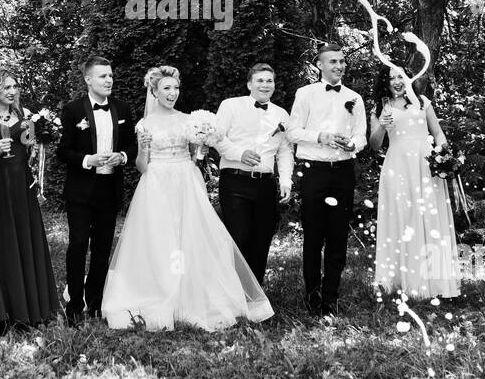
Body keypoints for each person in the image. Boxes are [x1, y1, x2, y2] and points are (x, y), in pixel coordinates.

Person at [102, 66, 273, 330]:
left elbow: (195, 157)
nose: (173, 93)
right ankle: (161, 287)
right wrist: (145, 147)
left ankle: (192, 291)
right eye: (166, 89)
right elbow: (141, 166)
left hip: (186, 180)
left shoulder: (188, 120)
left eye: (176, 88)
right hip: (156, 182)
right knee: (160, 237)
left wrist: (201, 145)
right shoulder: (144, 124)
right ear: (154, 92)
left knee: (189, 235)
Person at [0, 69, 60, 333]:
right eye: (6, 87)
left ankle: (33, 306)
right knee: (2, 243)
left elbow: (30, 153)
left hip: (23, 187)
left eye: (14, 86)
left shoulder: (24, 117)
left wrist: (44, 138)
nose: (11, 91)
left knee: (26, 239)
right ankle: (4, 309)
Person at [56, 56, 138, 326]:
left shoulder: (123, 109)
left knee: (103, 248)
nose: (109, 80)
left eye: (111, 75)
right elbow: (63, 151)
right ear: (88, 79)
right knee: (78, 244)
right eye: (103, 76)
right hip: (81, 190)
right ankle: (75, 306)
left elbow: (132, 147)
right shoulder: (72, 110)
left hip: (109, 189)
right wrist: (86, 160)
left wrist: (123, 157)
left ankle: (95, 303)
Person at [287, 44, 366, 317]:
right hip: (314, 171)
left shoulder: (355, 98)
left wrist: (352, 144)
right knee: (313, 235)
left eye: (342, 61)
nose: (339, 66)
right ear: (320, 65)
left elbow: (362, 135)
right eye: (333, 61)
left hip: (343, 172)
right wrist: (320, 136)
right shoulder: (305, 94)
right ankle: (312, 295)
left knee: (337, 237)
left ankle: (331, 298)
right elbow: (293, 131)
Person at [368, 66, 460, 300]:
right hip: (397, 166)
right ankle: (398, 280)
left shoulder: (422, 101)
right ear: (385, 83)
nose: (396, 82)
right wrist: (382, 125)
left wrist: (442, 153)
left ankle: (433, 281)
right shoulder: (380, 107)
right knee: (401, 216)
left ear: (408, 78)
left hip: (425, 165)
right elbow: (375, 145)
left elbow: (437, 132)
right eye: (391, 78)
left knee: (429, 216)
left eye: (400, 76)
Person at [212, 63, 293, 285]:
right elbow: (216, 138)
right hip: (235, 181)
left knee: (262, 239)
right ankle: (232, 292)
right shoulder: (230, 106)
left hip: (266, 185)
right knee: (239, 237)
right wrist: (239, 154)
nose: (265, 85)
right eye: (260, 80)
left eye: (269, 81)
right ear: (249, 84)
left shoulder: (281, 114)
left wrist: (285, 181)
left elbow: (285, 151)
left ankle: (255, 293)